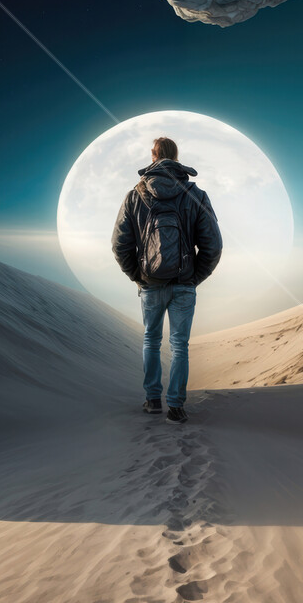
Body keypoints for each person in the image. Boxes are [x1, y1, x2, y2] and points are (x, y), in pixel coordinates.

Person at [111, 136, 223, 424]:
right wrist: (194, 277)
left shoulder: (135, 195)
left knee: (151, 340)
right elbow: (213, 245)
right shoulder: (195, 193)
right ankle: (175, 406)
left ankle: (152, 401)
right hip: (184, 283)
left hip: (150, 284)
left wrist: (138, 277)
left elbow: (119, 245)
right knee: (180, 346)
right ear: (176, 157)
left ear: (153, 156)